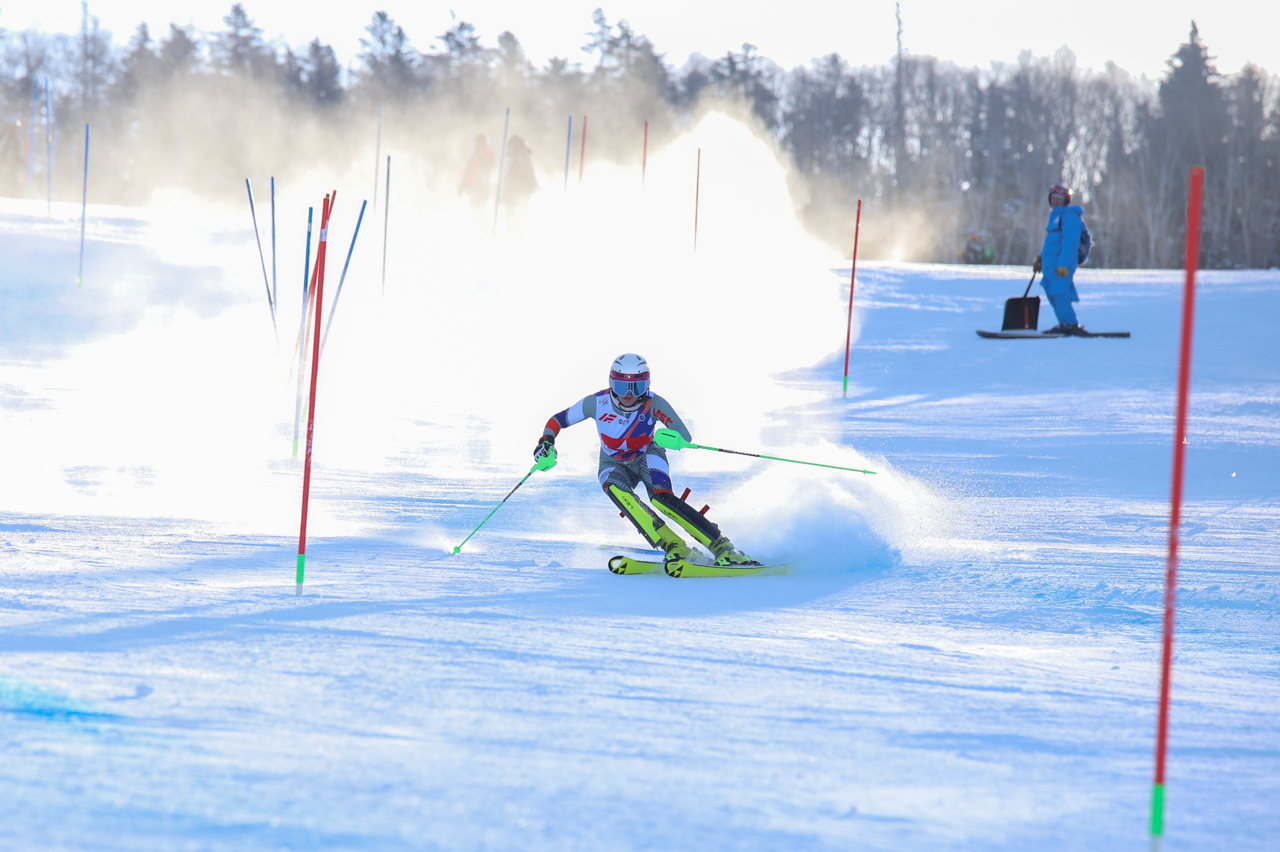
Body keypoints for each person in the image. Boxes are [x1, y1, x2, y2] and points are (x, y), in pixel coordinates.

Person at [534, 353, 754, 567]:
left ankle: (721, 546)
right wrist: (546, 443)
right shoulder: (596, 403)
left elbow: (683, 434)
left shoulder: (654, 403)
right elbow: (558, 420)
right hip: (613, 462)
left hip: (649, 455)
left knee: (660, 498)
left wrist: (672, 438)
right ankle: (674, 545)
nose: (628, 395)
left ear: (646, 385)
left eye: (636, 387)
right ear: (612, 384)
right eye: (621, 387)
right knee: (616, 489)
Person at [1034, 184, 1086, 335]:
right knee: (1052, 292)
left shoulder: (1069, 216)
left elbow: (1071, 242)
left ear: (1066, 201)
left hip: (1061, 265)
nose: (1056, 201)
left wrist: (1063, 263)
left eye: (1059, 198)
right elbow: (1052, 244)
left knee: (1060, 292)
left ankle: (1070, 324)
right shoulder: (1055, 219)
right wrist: (1041, 259)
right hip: (1050, 266)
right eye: (1053, 198)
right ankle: (1064, 323)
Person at [458, 134, 495, 211]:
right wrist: (463, 185)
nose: (478, 144)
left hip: (481, 187)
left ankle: (487, 223)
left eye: (481, 142)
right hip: (473, 188)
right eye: (477, 142)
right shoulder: (475, 155)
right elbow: (469, 173)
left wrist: (483, 150)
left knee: (478, 211)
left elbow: (490, 161)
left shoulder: (486, 152)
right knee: (474, 212)